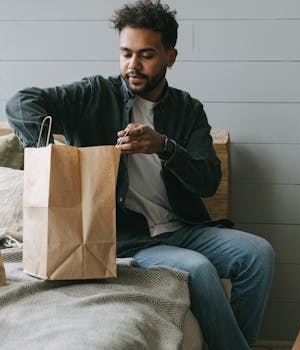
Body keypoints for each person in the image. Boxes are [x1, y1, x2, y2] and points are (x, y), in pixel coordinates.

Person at [5, 1, 275, 349]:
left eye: (146, 54)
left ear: (170, 57)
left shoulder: (188, 110)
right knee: (199, 269)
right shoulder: (94, 94)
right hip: (124, 238)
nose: (132, 65)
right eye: (126, 53)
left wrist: (165, 147)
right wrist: (52, 155)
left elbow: (208, 181)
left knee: (258, 253)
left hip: (183, 229)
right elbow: (20, 102)